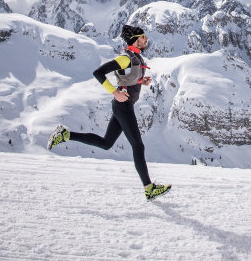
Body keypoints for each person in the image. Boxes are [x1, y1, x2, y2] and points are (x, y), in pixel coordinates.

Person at [47, 24, 171, 200]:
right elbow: (98, 73)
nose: (146, 39)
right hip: (123, 106)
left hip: (124, 106)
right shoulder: (125, 58)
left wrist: (140, 81)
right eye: (144, 37)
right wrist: (115, 92)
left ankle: (65, 134)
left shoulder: (135, 57)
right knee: (138, 146)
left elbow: (127, 77)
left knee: (106, 143)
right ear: (136, 40)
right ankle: (149, 188)